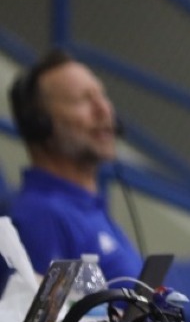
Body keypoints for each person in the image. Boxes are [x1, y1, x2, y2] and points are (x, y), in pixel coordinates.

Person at [5, 48, 139, 275]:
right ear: (40, 125)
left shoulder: (87, 207)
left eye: (102, 96)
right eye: (83, 99)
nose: (104, 110)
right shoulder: (40, 217)